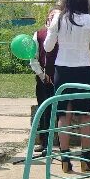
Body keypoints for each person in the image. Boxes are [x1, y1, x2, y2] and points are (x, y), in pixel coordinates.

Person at [44, 0, 90, 173]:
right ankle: (85, 158)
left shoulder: (59, 18)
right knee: (85, 114)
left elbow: (47, 46)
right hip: (84, 68)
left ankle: (64, 158)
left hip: (62, 69)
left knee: (64, 115)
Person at [30, 8, 59, 152]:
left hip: (60, 78)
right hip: (43, 79)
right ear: (48, 18)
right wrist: (42, 75)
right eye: (52, 15)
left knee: (61, 111)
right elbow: (33, 57)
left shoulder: (64, 35)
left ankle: (61, 143)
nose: (54, 18)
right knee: (44, 109)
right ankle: (44, 142)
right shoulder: (39, 34)